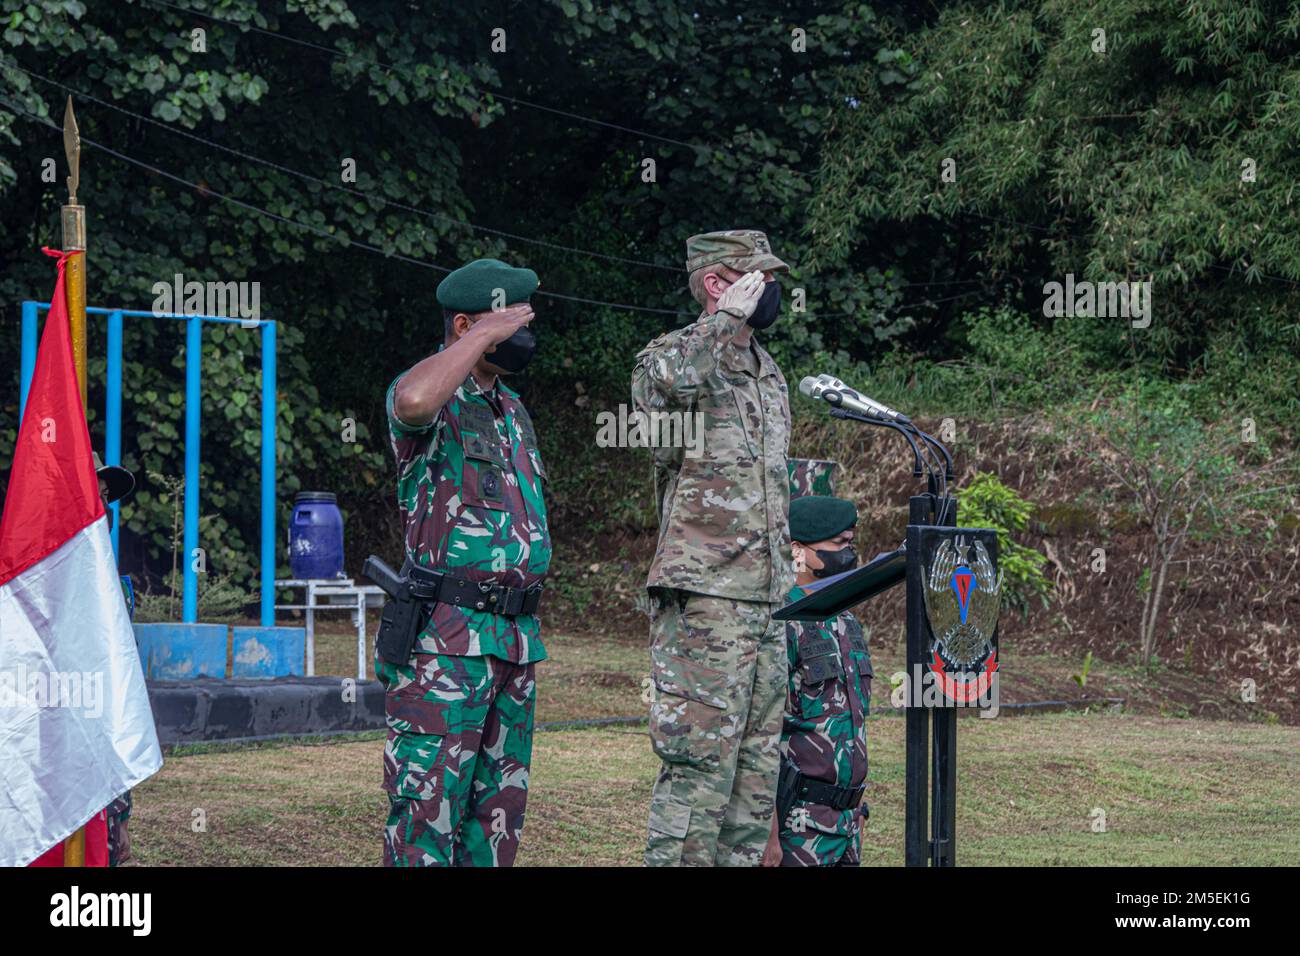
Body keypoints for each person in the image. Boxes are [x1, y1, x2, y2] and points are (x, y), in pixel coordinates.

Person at [379, 257, 549, 866]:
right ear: (463, 327)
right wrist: (482, 334)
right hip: (446, 644)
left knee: (495, 825)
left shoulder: (513, 412)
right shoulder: (426, 393)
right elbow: (416, 402)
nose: (521, 338)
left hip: (514, 641)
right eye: (508, 326)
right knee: (426, 815)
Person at [631, 229, 793, 866]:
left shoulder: (769, 372)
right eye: (758, 277)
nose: (772, 289)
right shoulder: (671, 358)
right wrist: (720, 325)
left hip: (767, 598)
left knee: (754, 777)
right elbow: (654, 415)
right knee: (699, 770)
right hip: (706, 596)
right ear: (718, 285)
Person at [30, 452, 137, 868]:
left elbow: (116, 708)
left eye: (105, 496)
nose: (102, 506)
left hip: (95, 789)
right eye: (92, 492)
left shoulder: (111, 589)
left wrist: (122, 815)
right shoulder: (25, 581)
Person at [768, 492, 872, 867]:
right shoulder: (781, 623)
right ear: (799, 550)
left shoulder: (846, 621)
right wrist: (767, 834)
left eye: (851, 543)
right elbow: (760, 735)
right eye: (838, 544)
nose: (849, 553)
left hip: (846, 825)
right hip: (797, 828)